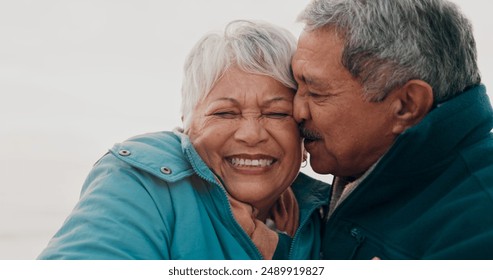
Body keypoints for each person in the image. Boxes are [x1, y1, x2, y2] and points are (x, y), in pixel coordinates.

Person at [38, 20, 330, 260]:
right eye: (226, 113)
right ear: (187, 126)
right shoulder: (143, 182)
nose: (251, 134)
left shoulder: (329, 215)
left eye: (277, 113)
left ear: (302, 129)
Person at [292, 0, 493, 259]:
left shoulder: (480, 225)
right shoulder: (359, 167)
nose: (297, 111)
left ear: (406, 106)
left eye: (317, 92)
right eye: (295, 85)